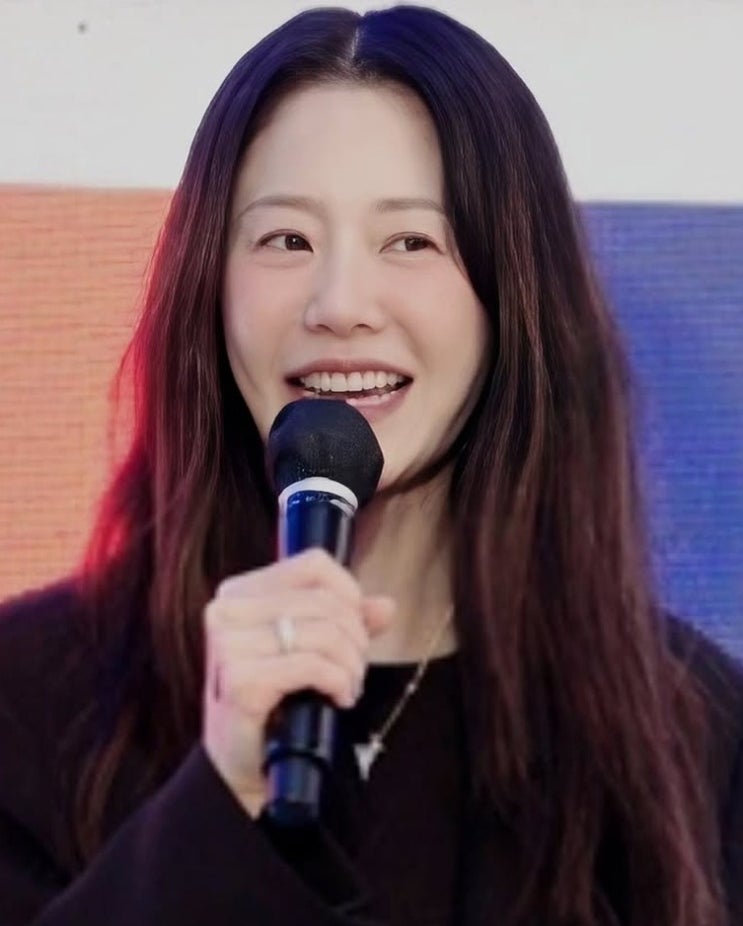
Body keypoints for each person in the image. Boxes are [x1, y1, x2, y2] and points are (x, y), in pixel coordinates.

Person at [0, 5, 741, 925]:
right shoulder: (29, 697)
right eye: (286, 240)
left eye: (410, 242)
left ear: (511, 295)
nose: (341, 303)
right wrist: (217, 805)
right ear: (210, 286)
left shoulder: (687, 734)